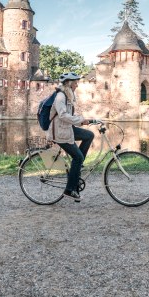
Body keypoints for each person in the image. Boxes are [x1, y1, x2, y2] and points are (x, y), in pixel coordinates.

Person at [47, 72, 95, 202]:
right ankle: (69, 190)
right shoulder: (60, 97)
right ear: (69, 83)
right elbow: (62, 115)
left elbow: (69, 116)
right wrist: (80, 120)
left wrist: (86, 120)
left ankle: (78, 165)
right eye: (75, 83)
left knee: (89, 135)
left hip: (67, 128)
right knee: (77, 157)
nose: (77, 85)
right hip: (59, 132)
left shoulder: (69, 96)